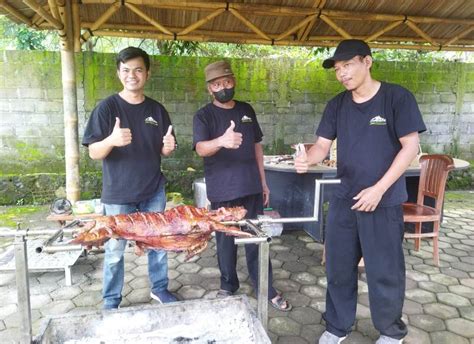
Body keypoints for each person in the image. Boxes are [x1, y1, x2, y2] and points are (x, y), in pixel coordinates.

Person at [295, 40, 426, 344]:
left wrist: (379, 189)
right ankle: (337, 327)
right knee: (339, 268)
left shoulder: (397, 98)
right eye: (338, 69)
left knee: (385, 270)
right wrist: (306, 157)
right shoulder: (337, 105)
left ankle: (391, 332)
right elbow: (322, 147)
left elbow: (411, 148)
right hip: (345, 199)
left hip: (383, 201)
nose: (342, 73)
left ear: (367, 61)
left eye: (347, 65)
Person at [82, 46, 178, 309]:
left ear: (147, 73)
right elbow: (93, 152)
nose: (132, 75)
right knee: (115, 250)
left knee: (157, 244)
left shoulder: (157, 110)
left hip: (153, 190)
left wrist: (167, 148)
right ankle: (111, 300)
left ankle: (160, 289)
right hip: (118, 194)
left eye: (138, 69)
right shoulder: (106, 108)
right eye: (126, 70)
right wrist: (111, 140)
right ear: (118, 73)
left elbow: (164, 147)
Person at [193, 61, 292, 311]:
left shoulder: (247, 110)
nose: (223, 88)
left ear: (233, 81)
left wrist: (264, 182)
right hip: (223, 191)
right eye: (217, 84)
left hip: (251, 188)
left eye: (226, 82)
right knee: (225, 243)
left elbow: (257, 147)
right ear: (209, 89)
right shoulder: (203, 116)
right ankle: (228, 286)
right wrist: (221, 141)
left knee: (257, 240)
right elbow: (200, 148)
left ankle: (265, 287)